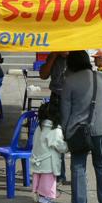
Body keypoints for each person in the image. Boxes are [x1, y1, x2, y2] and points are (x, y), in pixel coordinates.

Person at [61, 50, 102, 203]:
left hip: (77, 129)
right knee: (101, 163)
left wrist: (65, 131)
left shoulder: (69, 81)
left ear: (71, 63)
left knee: (78, 164)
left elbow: (65, 111)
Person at [30, 102, 68, 203]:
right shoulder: (55, 130)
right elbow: (61, 146)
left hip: (38, 160)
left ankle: (41, 198)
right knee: (48, 183)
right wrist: (68, 146)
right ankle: (44, 201)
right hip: (48, 163)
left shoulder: (39, 128)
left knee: (40, 181)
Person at [39, 51, 69, 183]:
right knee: (55, 135)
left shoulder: (76, 55)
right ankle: (59, 173)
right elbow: (43, 75)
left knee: (69, 136)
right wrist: (53, 56)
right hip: (56, 98)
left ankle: (77, 174)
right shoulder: (54, 56)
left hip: (71, 99)